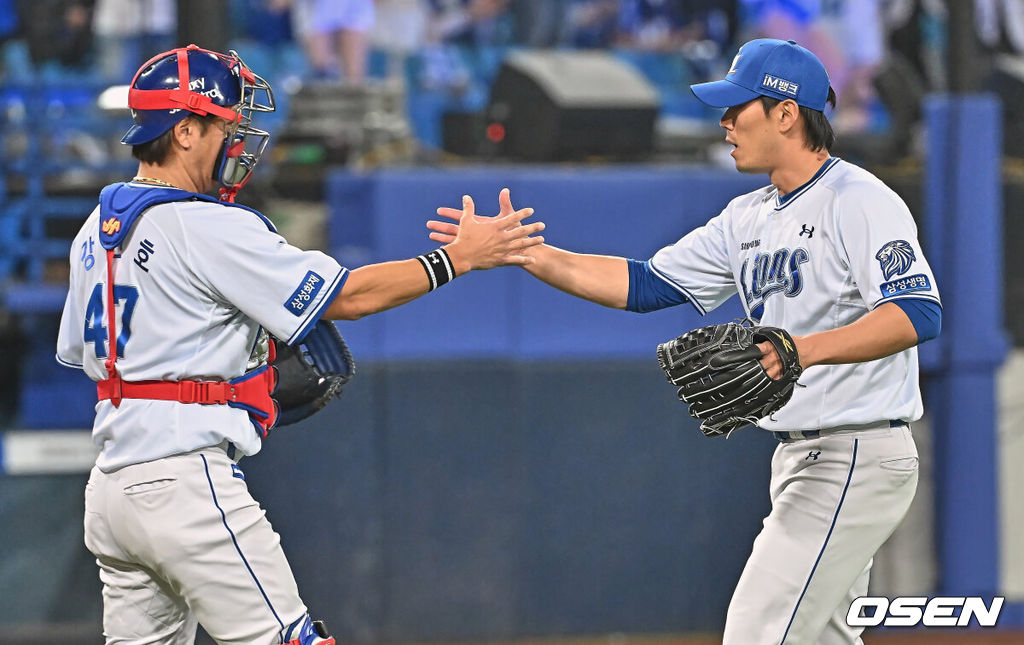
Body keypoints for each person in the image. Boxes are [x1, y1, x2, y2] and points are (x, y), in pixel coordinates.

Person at [428, 38, 941, 644]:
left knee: (757, 632)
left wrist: (804, 349)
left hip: (857, 451)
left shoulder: (859, 201)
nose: (723, 121)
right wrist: (530, 254)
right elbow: (646, 284)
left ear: (786, 113)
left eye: (737, 107)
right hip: (802, 456)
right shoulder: (746, 217)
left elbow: (916, 313)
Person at [55, 44, 543, 645]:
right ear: (183, 131)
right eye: (225, 125)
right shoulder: (205, 223)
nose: (238, 139)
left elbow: (88, 359)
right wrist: (457, 258)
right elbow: (351, 296)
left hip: (110, 492)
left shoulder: (93, 230)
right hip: (183, 481)